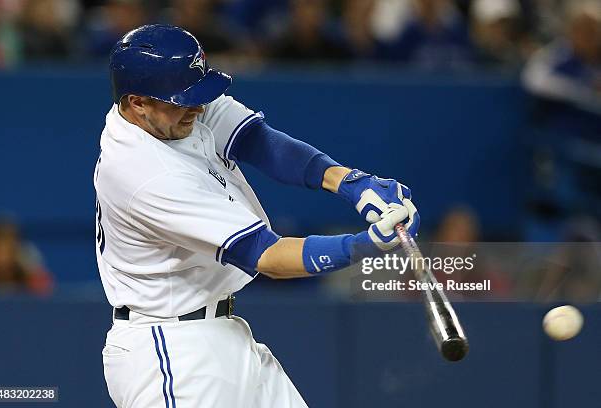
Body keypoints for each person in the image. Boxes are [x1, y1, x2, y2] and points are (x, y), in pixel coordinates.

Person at [95, 24, 419, 407]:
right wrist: (363, 246)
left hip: (221, 333)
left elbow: (259, 143)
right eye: (183, 100)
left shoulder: (169, 109)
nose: (197, 108)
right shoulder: (144, 172)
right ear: (137, 103)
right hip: (170, 351)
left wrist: (351, 182)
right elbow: (268, 256)